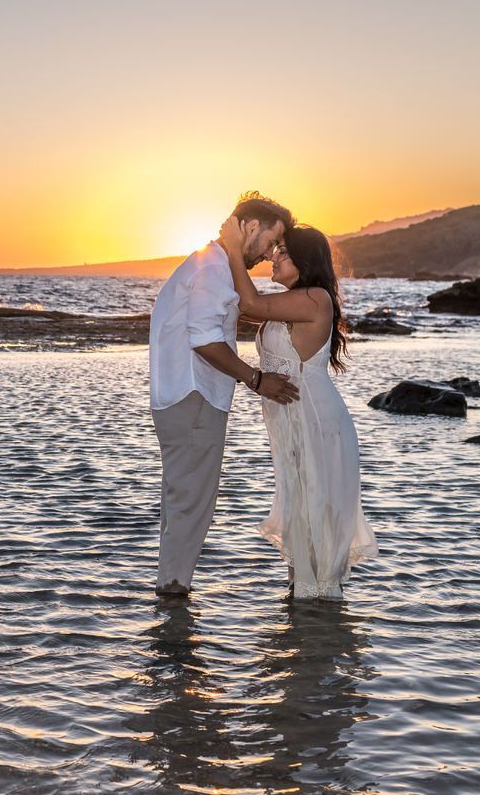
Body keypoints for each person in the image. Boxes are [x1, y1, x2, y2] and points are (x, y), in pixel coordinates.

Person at [218, 217, 378, 600]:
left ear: (306, 262)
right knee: (303, 520)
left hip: (316, 423)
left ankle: (318, 629)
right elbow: (246, 307)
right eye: (275, 249)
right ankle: (310, 624)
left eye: (284, 252)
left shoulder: (315, 298)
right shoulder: (292, 303)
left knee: (315, 521)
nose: (273, 257)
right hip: (293, 422)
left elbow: (249, 302)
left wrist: (232, 247)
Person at [147, 192, 298, 597]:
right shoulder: (212, 268)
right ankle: (173, 601)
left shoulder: (211, 264)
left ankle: (170, 600)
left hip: (181, 397)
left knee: (182, 503)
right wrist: (255, 379)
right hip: (194, 397)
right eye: (270, 242)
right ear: (250, 226)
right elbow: (206, 340)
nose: (269, 255)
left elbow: (238, 311)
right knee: (192, 506)